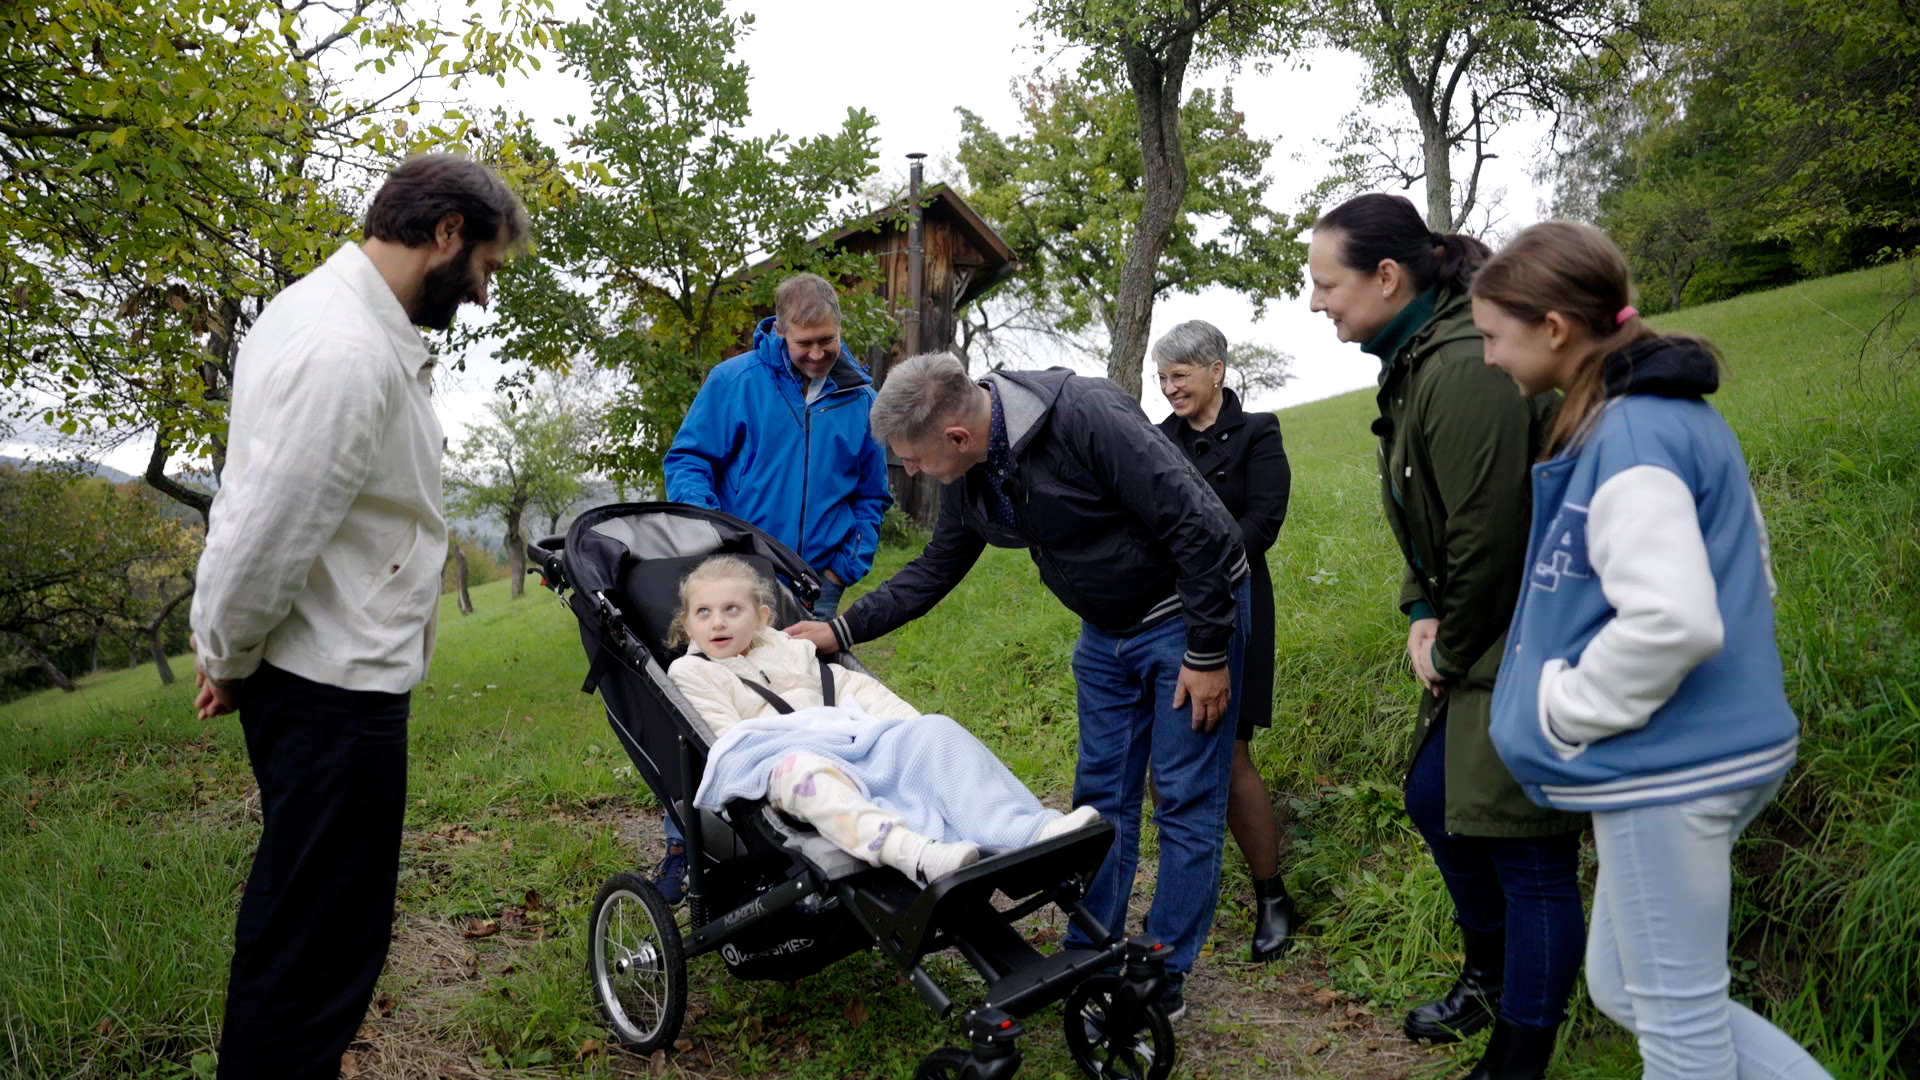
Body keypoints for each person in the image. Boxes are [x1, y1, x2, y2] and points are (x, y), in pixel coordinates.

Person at [189, 154, 528, 1079]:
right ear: (447, 232)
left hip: (325, 682)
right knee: (317, 948)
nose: (485, 295)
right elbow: (264, 529)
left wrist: (227, 652)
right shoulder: (343, 348)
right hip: (330, 694)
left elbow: (264, 500)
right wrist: (223, 651)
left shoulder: (337, 320)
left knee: (316, 928)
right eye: (487, 268)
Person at [787, 352, 1251, 1022]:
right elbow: (937, 565)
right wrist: (843, 630)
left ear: (955, 436)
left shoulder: (1085, 415)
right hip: (1107, 630)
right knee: (1099, 803)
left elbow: (1197, 527)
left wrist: (1208, 651)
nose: (909, 473)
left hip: (1188, 616)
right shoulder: (974, 471)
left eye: (911, 460)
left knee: (1184, 799)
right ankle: (1087, 952)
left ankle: (1160, 974)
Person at [1474, 222, 1831, 1080]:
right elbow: (1749, 576)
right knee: (1629, 989)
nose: (1487, 357)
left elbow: (1676, 620)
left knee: (1679, 1037)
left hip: (1672, 769)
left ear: (1553, 327)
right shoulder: (1673, 417)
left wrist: (1564, 710)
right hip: (1714, 751)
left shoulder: (1631, 434)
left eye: (1492, 335)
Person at [1306, 192, 1584, 1080]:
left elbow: (1491, 532)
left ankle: (1520, 1052)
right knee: (1435, 799)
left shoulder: (1465, 362)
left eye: (1325, 284)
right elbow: (1431, 520)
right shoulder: (1416, 355)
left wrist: (1453, 648)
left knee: (1524, 844)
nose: (1316, 303)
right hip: (1480, 628)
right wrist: (1419, 608)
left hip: (1530, 631)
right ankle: (1491, 981)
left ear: (1388, 276)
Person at [656, 272, 893, 902]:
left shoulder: (860, 397)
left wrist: (847, 565)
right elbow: (688, 461)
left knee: (817, 702)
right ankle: (685, 840)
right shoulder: (736, 382)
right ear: (780, 331)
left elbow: (873, 493)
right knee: (713, 709)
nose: (817, 353)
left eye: (828, 341)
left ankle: (818, 836)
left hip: (819, 583)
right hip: (741, 579)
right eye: (804, 342)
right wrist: (714, 539)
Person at [668, 555, 1101, 882]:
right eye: (703, 613)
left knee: (935, 731)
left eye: (732, 610)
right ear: (687, 625)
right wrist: (802, 739)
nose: (717, 623)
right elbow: (730, 742)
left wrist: (910, 733)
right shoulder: (693, 671)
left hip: (848, 740)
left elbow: (850, 689)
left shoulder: (794, 652)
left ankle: (1030, 831)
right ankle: (916, 853)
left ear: (762, 618)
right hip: (782, 766)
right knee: (803, 772)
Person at [1152, 321, 1298, 961]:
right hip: (1166, 611)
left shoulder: (1258, 433)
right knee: (1170, 758)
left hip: (1237, 604)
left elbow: (1263, 522)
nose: (1169, 386)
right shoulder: (1155, 441)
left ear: (1216, 369)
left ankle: (1272, 896)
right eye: (1162, 377)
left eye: (1179, 374)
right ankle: (1190, 888)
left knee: (1231, 752)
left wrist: (1197, 559)